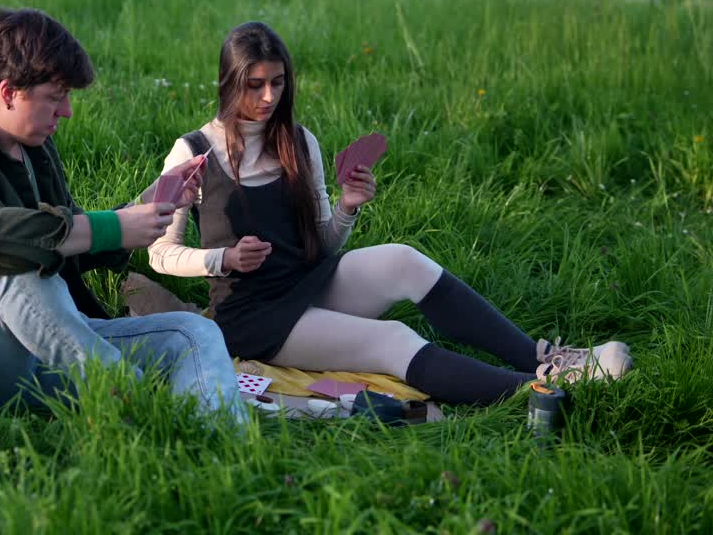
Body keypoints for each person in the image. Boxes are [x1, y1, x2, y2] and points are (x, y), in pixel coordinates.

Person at [147, 21, 632, 405]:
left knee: (402, 257)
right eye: (255, 85)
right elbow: (160, 253)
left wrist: (346, 209)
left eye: (278, 83)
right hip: (254, 318)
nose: (269, 97)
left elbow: (321, 246)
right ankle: (534, 390)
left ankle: (544, 358)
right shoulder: (193, 152)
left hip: (307, 283)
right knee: (392, 339)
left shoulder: (298, 142)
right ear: (230, 82)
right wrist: (222, 260)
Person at [0, 7, 246, 422]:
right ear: (9, 92)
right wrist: (112, 227)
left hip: (57, 346)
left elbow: (68, 243)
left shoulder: (35, 149)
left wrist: (146, 206)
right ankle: (137, 405)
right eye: (55, 97)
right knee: (11, 262)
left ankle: (216, 438)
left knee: (194, 333)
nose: (66, 111)